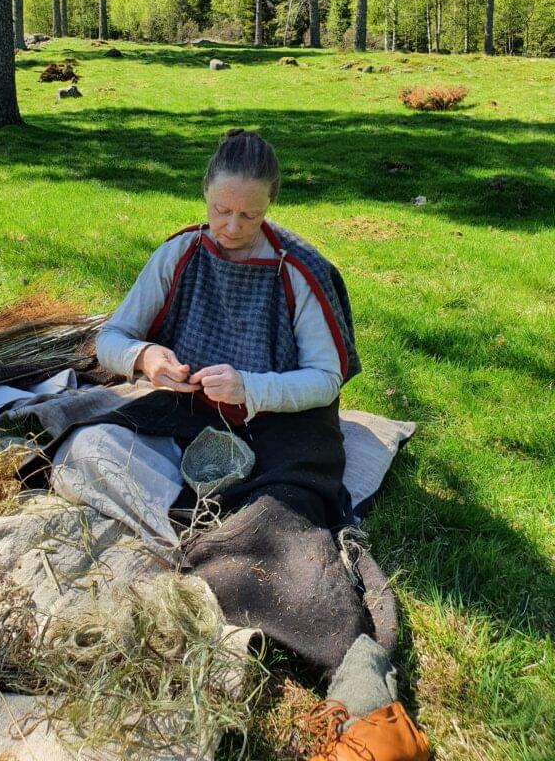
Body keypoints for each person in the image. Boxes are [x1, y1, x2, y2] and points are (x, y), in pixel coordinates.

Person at [56, 129, 429, 761]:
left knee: (284, 513)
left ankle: (341, 660)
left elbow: (325, 379)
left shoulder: (298, 270)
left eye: (248, 215)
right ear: (204, 196)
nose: (231, 226)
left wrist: (252, 386)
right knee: (89, 446)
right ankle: (198, 532)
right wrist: (146, 359)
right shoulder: (177, 255)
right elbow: (110, 339)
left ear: (270, 207)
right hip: (190, 407)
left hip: (280, 418)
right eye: (220, 211)